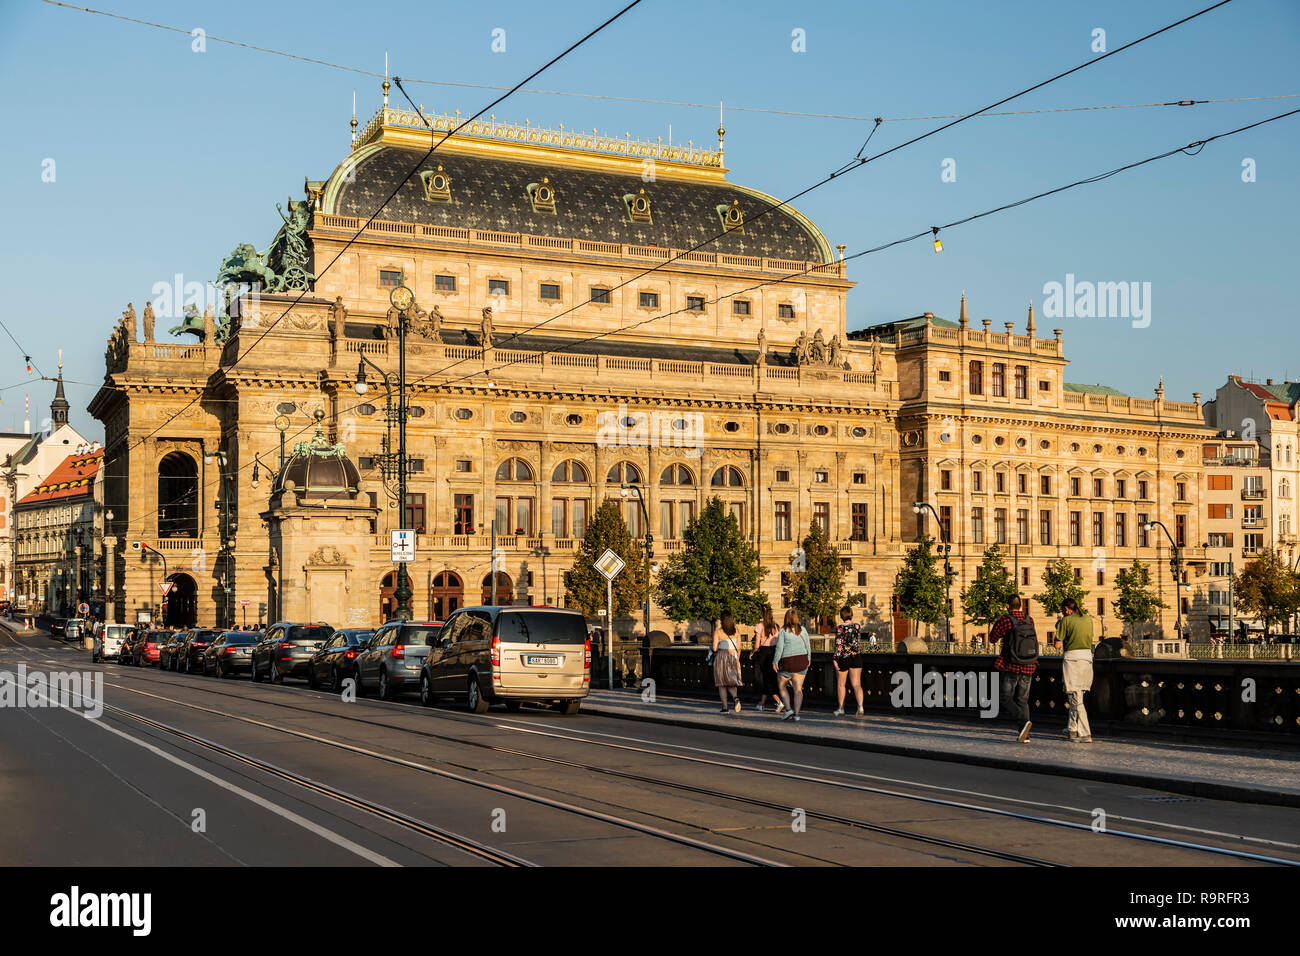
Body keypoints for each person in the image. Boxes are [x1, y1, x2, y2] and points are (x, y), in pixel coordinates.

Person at [990, 595, 1036, 744]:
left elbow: (992, 638)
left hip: (1012, 665)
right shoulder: (1030, 620)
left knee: (1005, 697)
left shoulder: (1005, 620)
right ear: (1021, 606)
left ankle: (1022, 721)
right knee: (1023, 700)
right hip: (1029, 664)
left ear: (1007, 606)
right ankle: (1025, 734)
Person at [1056, 598, 1094, 742]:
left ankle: (1085, 733)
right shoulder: (1088, 619)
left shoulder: (1065, 621)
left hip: (1072, 660)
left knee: (1076, 699)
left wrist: (1059, 627)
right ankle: (1072, 729)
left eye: (1062, 611)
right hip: (1087, 658)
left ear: (1067, 609)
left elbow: (1057, 645)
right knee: (1077, 696)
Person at [773, 609, 812, 721]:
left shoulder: (783, 631)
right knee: (798, 689)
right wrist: (809, 658)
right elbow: (808, 645)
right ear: (796, 618)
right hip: (802, 660)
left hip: (788, 661)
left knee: (781, 686)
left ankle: (789, 709)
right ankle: (797, 715)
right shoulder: (803, 630)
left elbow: (779, 648)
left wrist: (775, 662)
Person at [832, 605, 864, 716]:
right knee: (857, 684)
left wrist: (835, 659)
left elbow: (838, 645)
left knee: (841, 685)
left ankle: (841, 709)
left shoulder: (839, 628)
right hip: (856, 657)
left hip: (843, 657)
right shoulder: (857, 626)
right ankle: (860, 707)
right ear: (851, 614)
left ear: (841, 616)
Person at [751, 604, 783, 712]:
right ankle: (762, 703)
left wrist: (752, 652)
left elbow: (756, 645)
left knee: (765, 679)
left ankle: (779, 702)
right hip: (774, 653)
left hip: (764, 653)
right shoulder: (776, 626)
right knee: (770, 678)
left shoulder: (760, 626)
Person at [711, 612, 743, 713]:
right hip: (733, 656)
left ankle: (725, 708)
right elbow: (739, 647)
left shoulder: (718, 632)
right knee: (732, 681)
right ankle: (735, 697)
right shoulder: (736, 631)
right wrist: (737, 659)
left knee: (722, 683)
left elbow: (715, 648)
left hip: (722, 657)